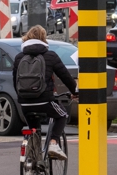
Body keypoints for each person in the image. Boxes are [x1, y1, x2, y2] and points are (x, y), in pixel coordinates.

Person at [12, 25, 77, 161]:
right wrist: (75, 91)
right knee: (62, 115)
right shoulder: (50, 56)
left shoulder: (19, 57)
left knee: (33, 129)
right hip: (45, 100)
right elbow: (65, 77)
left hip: (24, 103)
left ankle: (31, 166)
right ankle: (53, 143)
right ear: (43, 38)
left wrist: (21, 97)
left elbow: (15, 81)